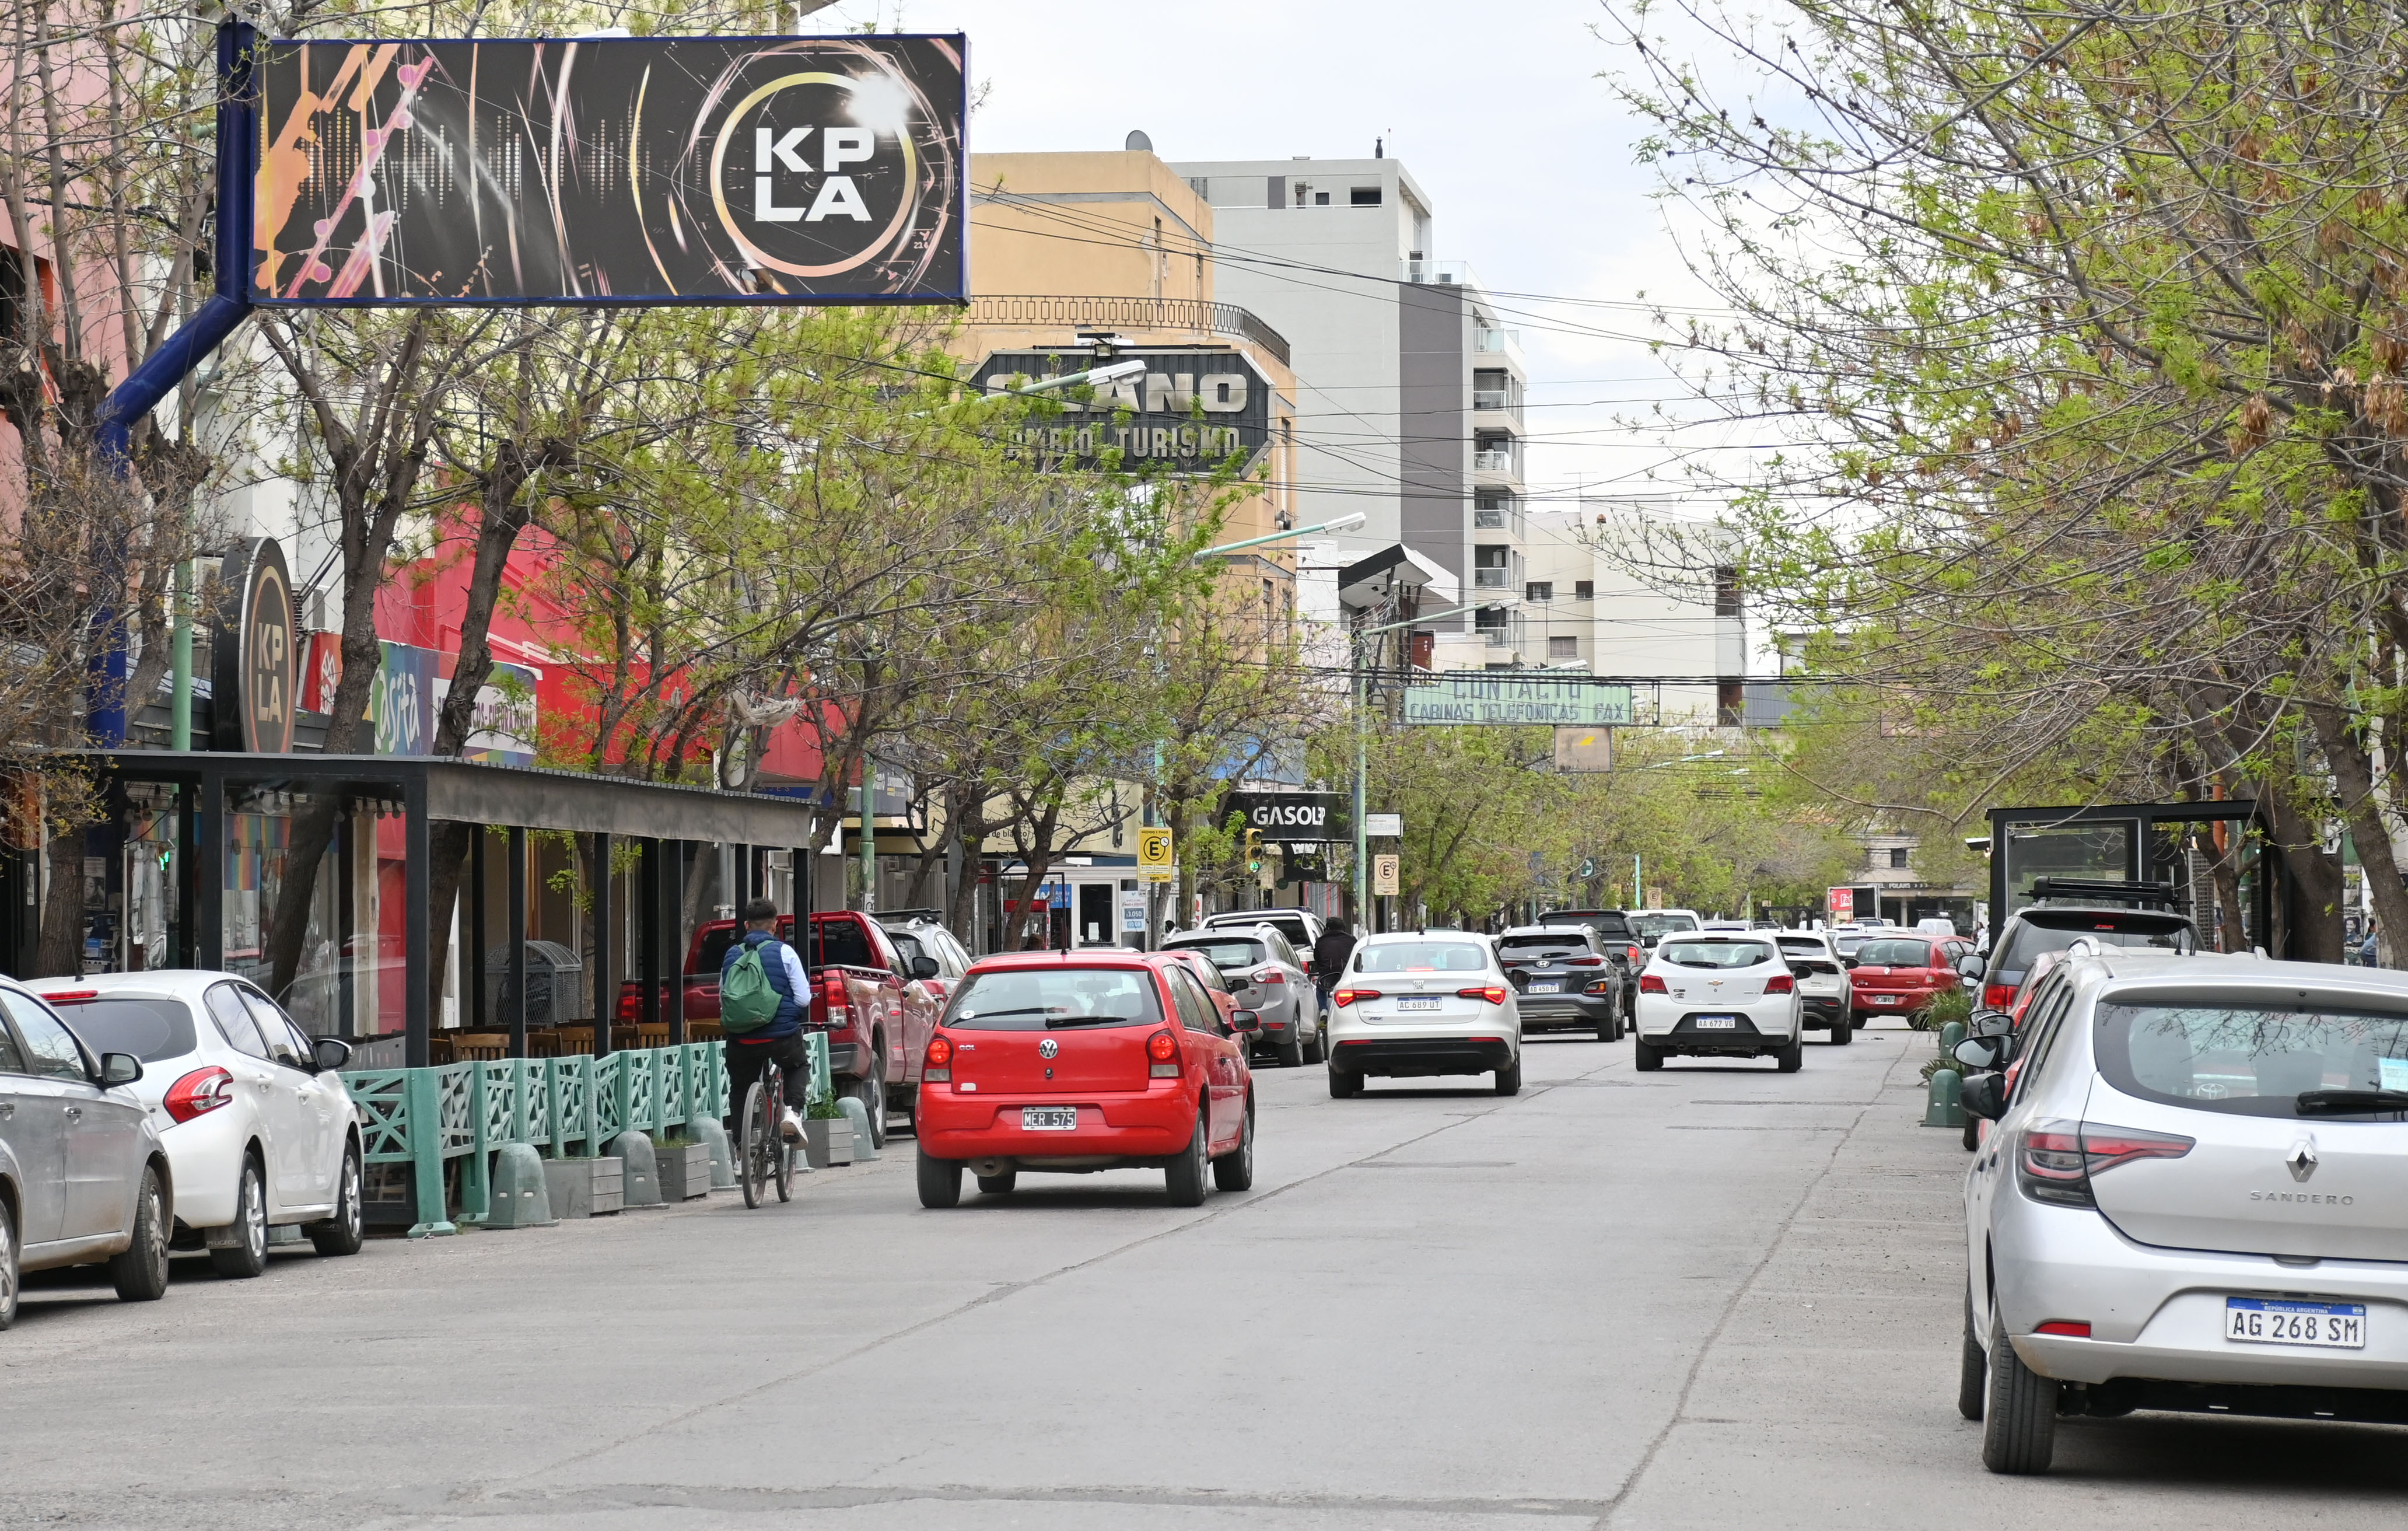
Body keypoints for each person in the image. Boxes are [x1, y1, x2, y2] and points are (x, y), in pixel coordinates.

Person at [721, 897, 810, 1144]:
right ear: (776, 925)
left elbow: (724, 998)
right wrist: (785, 1012)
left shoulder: (732, 955)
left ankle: (741, 1151)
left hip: (742, 1040)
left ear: (747, 926)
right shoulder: (785, 952)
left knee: (740, 1087)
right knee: (797, 1065)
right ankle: (793, 1114)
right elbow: (803, 999)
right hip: (780, 1038)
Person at [1311, 916, 1357, 1016]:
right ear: (1344, 929)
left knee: (1320, 988)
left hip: (1327, 977)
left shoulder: (1320, 941)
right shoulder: (1352, 940)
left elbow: (1318, 959)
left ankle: (1323, 1010)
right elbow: (1358, 960)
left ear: (1327, 929)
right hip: (1346, 976)